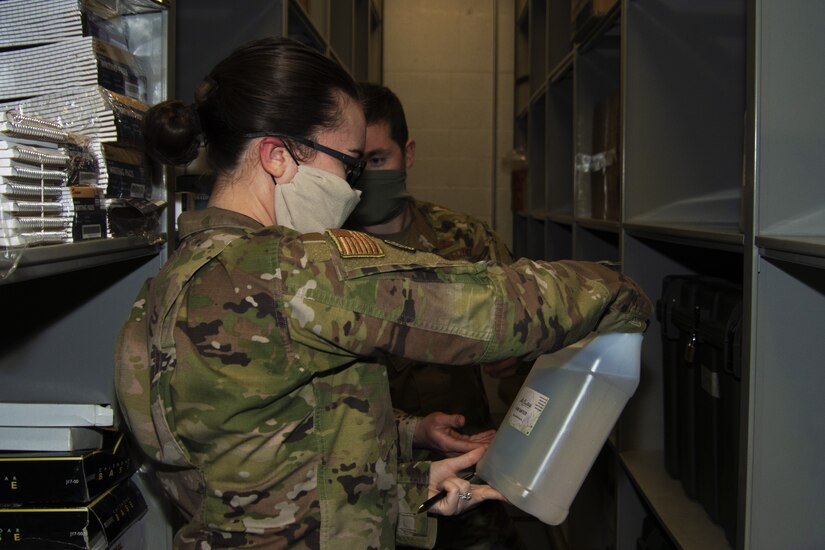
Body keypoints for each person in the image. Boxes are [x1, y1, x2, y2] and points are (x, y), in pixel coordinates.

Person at [114, 37, 652, 550]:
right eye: (349, 165)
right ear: (278, 157)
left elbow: (261, 462)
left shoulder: (164, 286)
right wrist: (614, 288)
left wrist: (408, 484)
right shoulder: (290, 270)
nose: (354, 189)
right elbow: (491, 309)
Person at [347, 82, 527, 549]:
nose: (364, 175)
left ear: (407, 154)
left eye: (377, 160)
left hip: (466, 469)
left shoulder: (461, 240)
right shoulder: (320, 254)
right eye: (353, 163)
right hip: (365, 478)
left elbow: (534, 329)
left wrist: (514, 359)